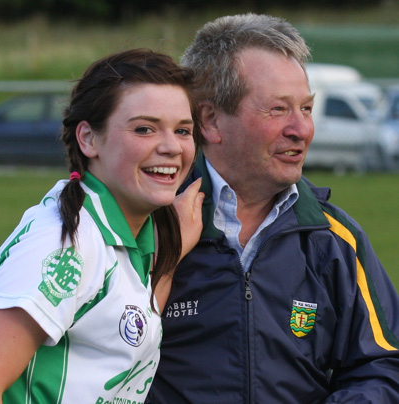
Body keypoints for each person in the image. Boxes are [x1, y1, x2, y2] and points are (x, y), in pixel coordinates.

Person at [145, 13, 399, 404]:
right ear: (210, 121)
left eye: (307, 109)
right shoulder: (147, 225)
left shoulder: (333, 239)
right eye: (278, 110)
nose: (302, 129)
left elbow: (382, 363)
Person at [0, 48, 204, 404]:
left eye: (183, 130)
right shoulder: (66, 241)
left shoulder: (126, 234)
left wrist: (170, 257)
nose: (171, 146)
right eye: (144, 128)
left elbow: (127, 329)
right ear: (88, 139)